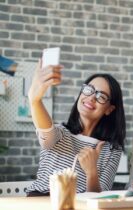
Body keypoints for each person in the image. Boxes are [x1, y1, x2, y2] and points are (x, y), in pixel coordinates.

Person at [26, 60, 126, 196]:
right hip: (41, 202)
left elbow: (99, 198)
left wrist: (91, 172)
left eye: (101, 96)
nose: (91, 98)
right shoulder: (60, 133)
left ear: (109, 109)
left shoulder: (111, 150)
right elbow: (46, 132)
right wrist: (35, 100)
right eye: (89, 90)